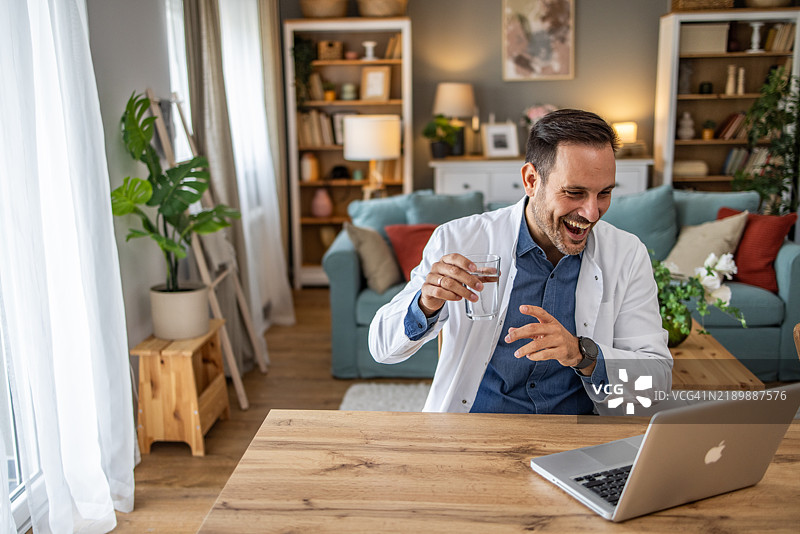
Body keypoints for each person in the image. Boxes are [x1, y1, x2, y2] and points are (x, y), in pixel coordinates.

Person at [369, 109, 672, 414]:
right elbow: (382, 348)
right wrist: (425, 304)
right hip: (477, 427)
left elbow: (657, 381)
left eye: (604, 193)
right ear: (531, 180)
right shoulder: (458, 239)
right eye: (574, 193)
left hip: (578, 430)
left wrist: (582, 354)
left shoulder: (627, 254)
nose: (592, 213)